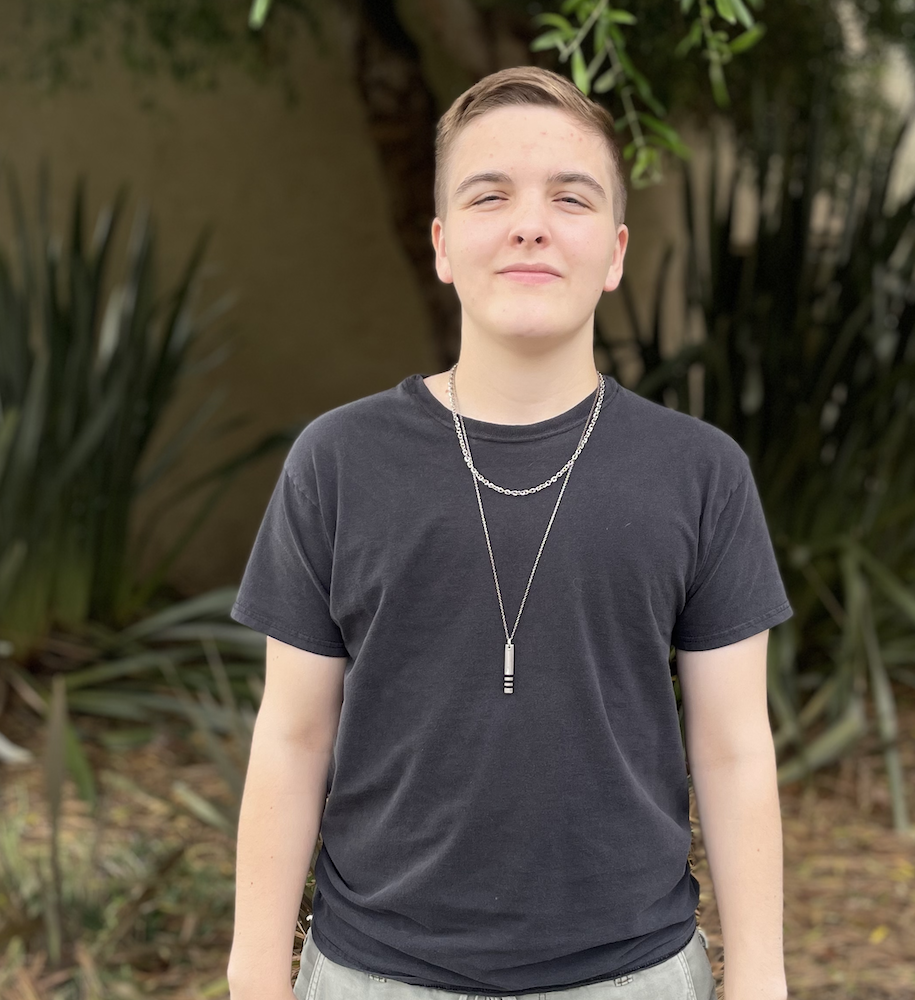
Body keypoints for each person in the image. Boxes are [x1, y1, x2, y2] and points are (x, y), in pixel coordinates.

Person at [226, 65, 792, 1000]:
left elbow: (732, 745)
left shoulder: (701, 472)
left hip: (634, 976)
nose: (530, 222)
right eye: (490, 195)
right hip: (374, 975)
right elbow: (292, 735)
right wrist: (255, 973)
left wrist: (760, 975)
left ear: (613, 253)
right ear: (444, 245)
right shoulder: (338, 461)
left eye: (570, 198)